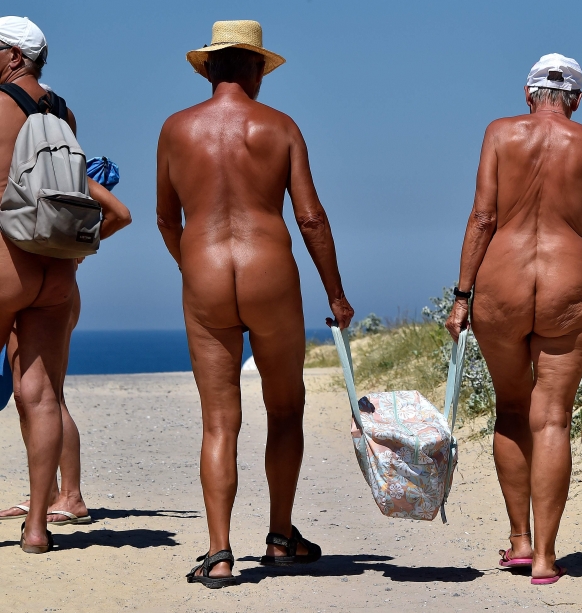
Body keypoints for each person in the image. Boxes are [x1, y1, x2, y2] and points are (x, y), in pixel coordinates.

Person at [157, 20, 353, 588]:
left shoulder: (175, 129)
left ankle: (219, 554)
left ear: (210, 69)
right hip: (270, 273)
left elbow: (168, 218)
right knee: (286, 408)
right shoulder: (281, 126)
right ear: (257, 70)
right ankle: (280, 536)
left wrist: (192, 268)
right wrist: (336, 294)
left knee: (219, 420)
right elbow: (310, 217)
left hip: (206, 274)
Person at [445, 53, 582, 584]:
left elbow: (483, 216)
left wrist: (462, 295)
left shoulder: (500, 133)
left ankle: (519, 542)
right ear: (575, 99)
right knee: (552, 418)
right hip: (567, 287)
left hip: (500, 287)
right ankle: (548, 560)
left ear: (527, 94)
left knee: (510, 409)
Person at [0, 16, 131, 552]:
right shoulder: (64, 113)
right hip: (59, 270)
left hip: (7, 261)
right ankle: (37, 528)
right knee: (43, 395)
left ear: (12, 56)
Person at [0, 176, 131, 527]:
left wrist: (74, 249)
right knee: (31, 396)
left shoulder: (42, 169)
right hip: (50, 288)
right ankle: (47, 493)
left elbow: (120, 213)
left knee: (48, 397)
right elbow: (118, 214)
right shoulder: (50, 168)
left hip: (39, 289)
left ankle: (71, 496)